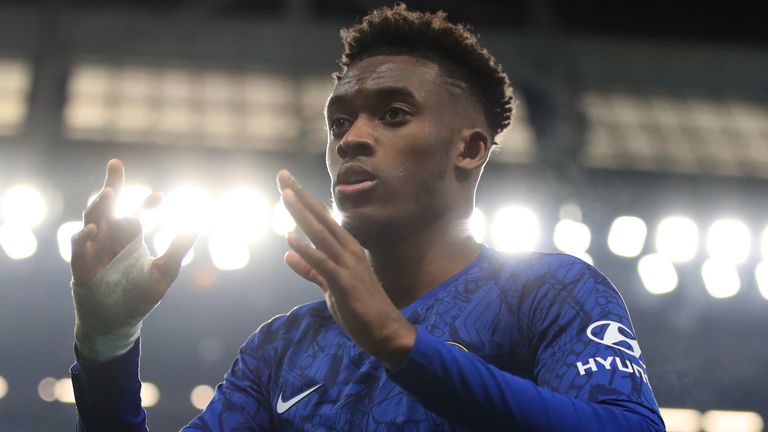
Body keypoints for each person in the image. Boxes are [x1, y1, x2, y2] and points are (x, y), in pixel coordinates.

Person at [69, 5, 665, 431]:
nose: (351, 138)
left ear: (469, 149)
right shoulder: (281, 348)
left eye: (394, 113)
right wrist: (107, 346)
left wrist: (399, 342)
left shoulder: (549, 292)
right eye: (339, 123)